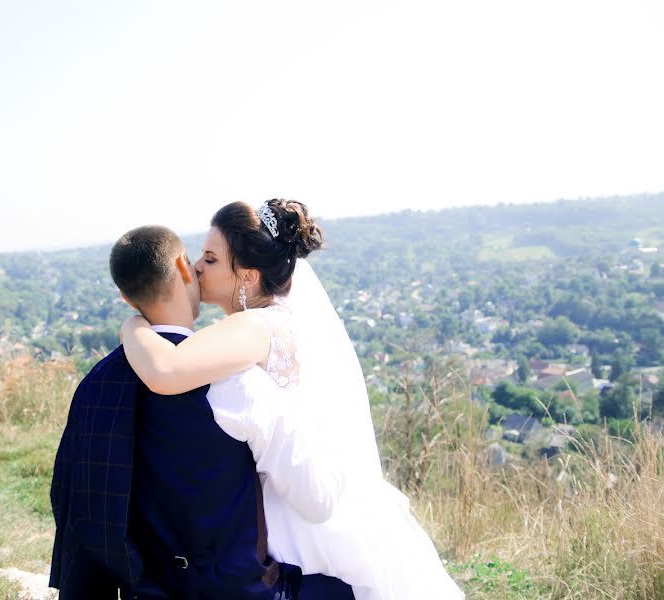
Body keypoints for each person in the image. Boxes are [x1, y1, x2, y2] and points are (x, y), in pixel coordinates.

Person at [121, 200, 466, 600]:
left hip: (298, 506)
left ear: (247, 276)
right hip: (307, 489)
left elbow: (165, 372)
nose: (196, 267)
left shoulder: (256, 325)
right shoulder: (282, 320)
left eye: (211, 259)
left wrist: (134, 323)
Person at [49, 224, 354, 599]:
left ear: (128, 300)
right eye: (198, 259)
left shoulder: (96, 385)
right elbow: (317, 499)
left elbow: (72, 504)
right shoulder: (242, 385)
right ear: (182, 266)